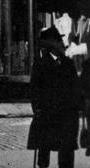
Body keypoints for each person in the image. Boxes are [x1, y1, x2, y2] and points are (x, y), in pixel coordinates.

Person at [27, 25, 83, 168]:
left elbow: (75, 87)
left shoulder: (68, 63)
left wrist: (77, 106)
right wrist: (37, 108)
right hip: (48, 114)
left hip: (67, 115)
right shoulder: (40, 65)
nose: (61, 44)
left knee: (66, 153)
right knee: (44, 150)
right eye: (58, 41)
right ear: (51, 44)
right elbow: (34, 90)